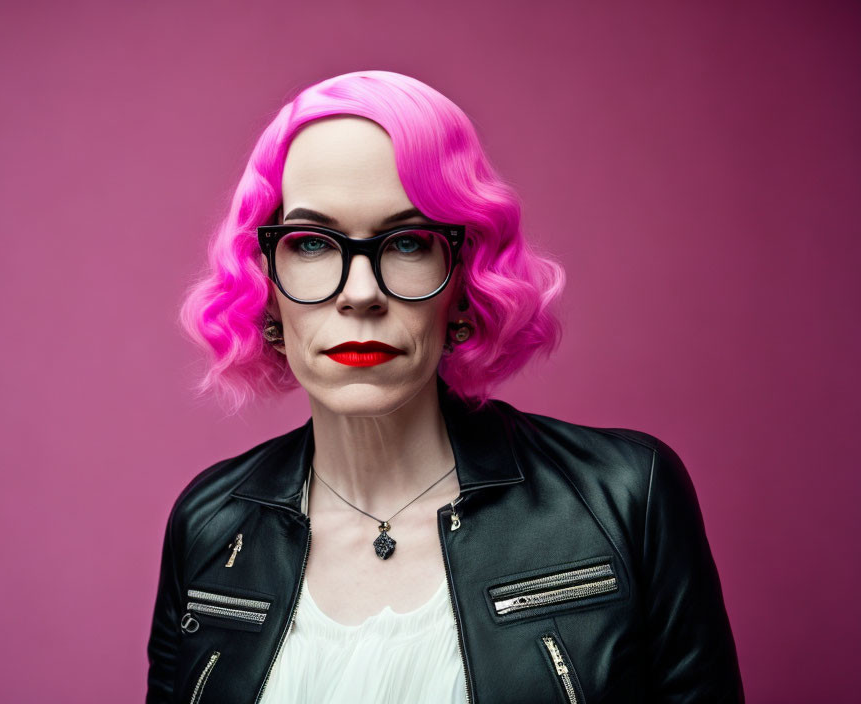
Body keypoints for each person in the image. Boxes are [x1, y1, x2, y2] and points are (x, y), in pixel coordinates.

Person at [146, 70, 744, 703]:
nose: (360, 295)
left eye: (407, 242)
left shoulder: (625, 498)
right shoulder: (208, 525)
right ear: (264, 281)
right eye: (311, 243)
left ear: (464, 279)